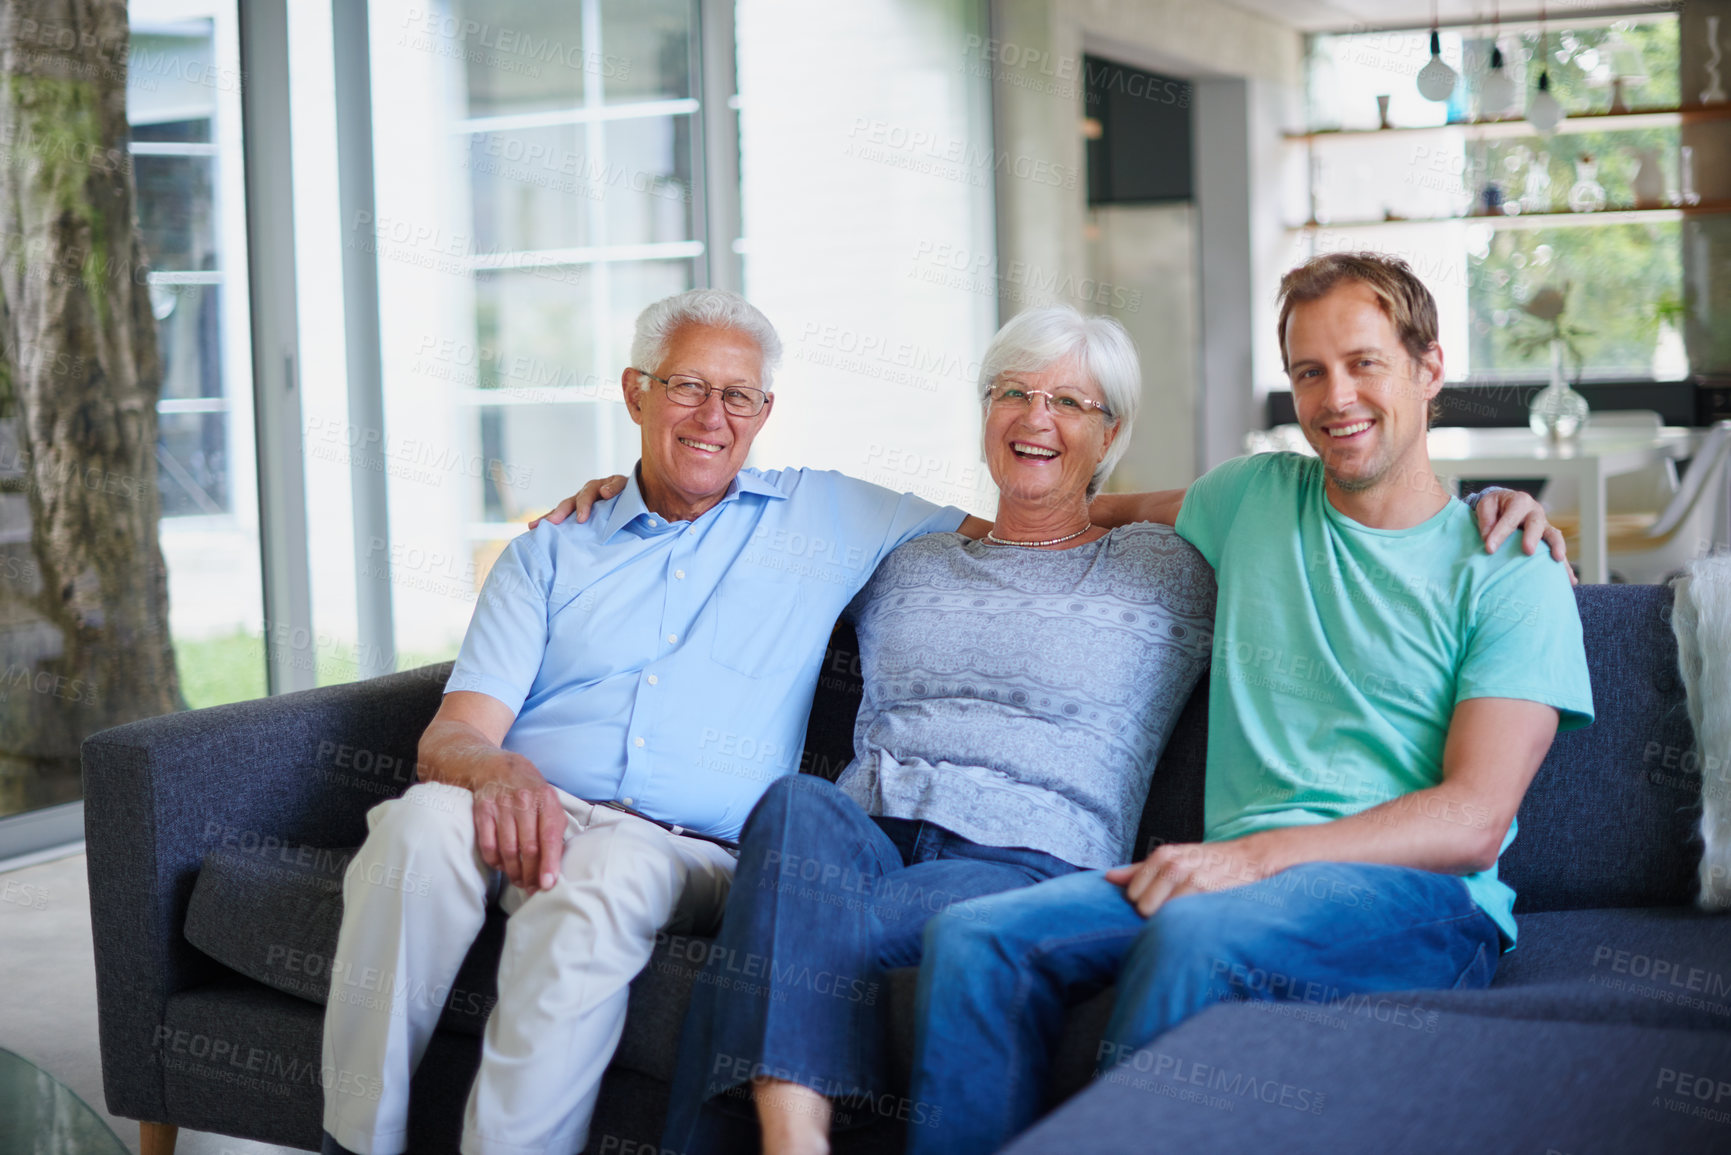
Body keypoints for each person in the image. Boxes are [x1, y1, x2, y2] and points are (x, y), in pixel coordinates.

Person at [901, 252, 1596, 1155]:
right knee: (969, 939)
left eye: (1363, 363)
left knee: (1194, 935)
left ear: (1428, 370)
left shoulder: (1509, 569)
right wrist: (946, 533)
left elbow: (1471, 819)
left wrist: (1252, 859)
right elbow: (1087, 507)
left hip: (1419, 901)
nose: (1334, 396)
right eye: (1309, 372)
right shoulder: (1249, 498)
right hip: (1222, 882)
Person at [318, 289, 984, 1155]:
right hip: (528, 803)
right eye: (686, 387)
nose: (713, 415)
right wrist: (497, 770)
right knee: (416, 828)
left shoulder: (828, 518)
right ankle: (355, 1141)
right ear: (635, 394)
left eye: (737, 395)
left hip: (685, 845)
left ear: (764, 412)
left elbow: (1024, 525)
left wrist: (1206, 511)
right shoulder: (552, 548)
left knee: (602, 878)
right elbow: (451, 736)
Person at [650, 306, 1216, 1155]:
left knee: (777, 932)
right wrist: (614, 497)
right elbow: (723, 521)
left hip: (1026, 860)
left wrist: (1491, 509)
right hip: (865, 831)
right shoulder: (909, 555)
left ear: (1113, 432)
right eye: (1013, 392)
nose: (1034, 418)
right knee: (795, 805)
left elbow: (1295, 496)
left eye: (1069, 402)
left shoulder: (1163, 566)